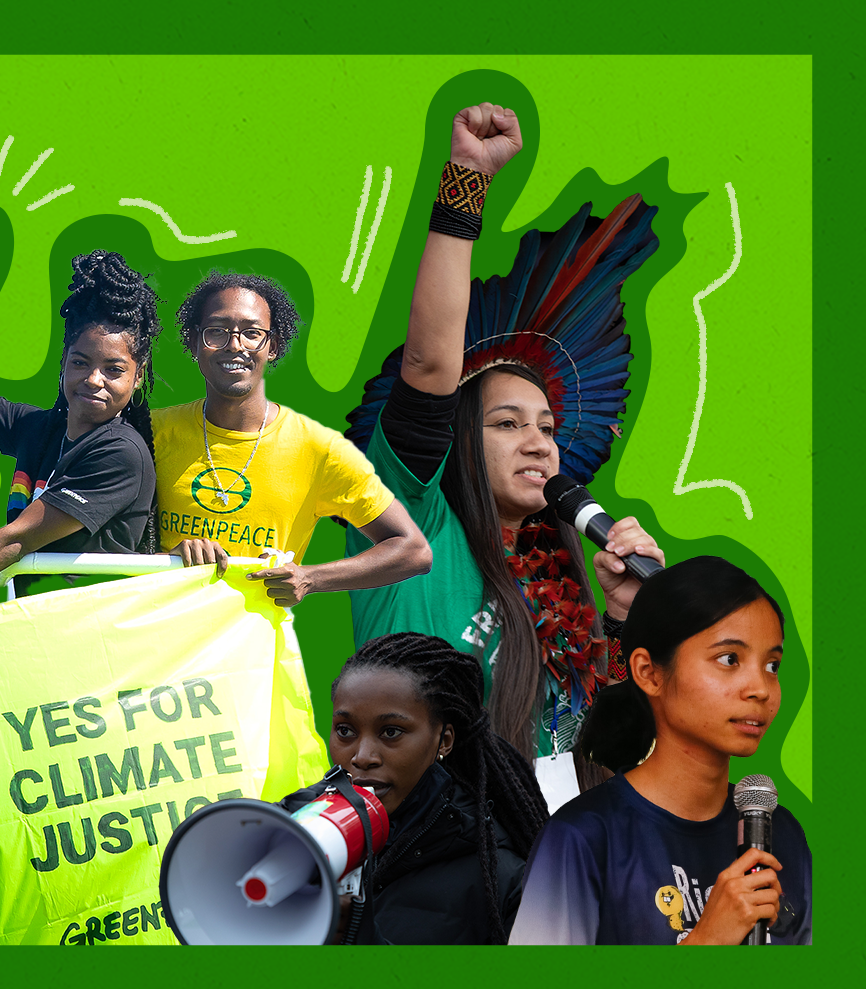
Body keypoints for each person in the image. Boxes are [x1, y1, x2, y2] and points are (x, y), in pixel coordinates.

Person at [345, 102, 664, 778]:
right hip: (438, 859)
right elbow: (431, 365)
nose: (539, 443)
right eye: (508, 423)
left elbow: (606, 752)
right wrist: (466, 179)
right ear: (458, 440)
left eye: (547, 428)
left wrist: (621, 620)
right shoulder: (412, 521)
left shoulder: (560, 579)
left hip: (550, 864)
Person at [508, 556, 812, 945]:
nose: (760, 689)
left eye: (772, 665)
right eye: (729, 659)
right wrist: (704, 943)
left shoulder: (782, 834)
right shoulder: (581, 839)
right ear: (649, 672)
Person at [150, 270, 431, 606]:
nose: (235, 345)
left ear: (273, 346)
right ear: (195, 342)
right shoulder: (152, 432)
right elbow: (101, 540)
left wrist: (310, 578)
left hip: (253, 649)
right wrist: (164, 556)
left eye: (252, 333)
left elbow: (413, 549)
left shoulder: (318, 449)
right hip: (158, 644)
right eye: (217, 332)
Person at [0, 232, 161, 603]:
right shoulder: (39, 429)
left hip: (87, 638)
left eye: (113, 369)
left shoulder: (120, 452)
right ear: (64, 361)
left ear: (138, 374)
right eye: (81, 363)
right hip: (36, 631)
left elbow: (13, 541)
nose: (93, 380)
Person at [280, 631, 550, 945]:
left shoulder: (498, 878)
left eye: (391, 732)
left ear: (444, 740)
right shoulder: (289, 825)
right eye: (345, 730)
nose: (362, 756)